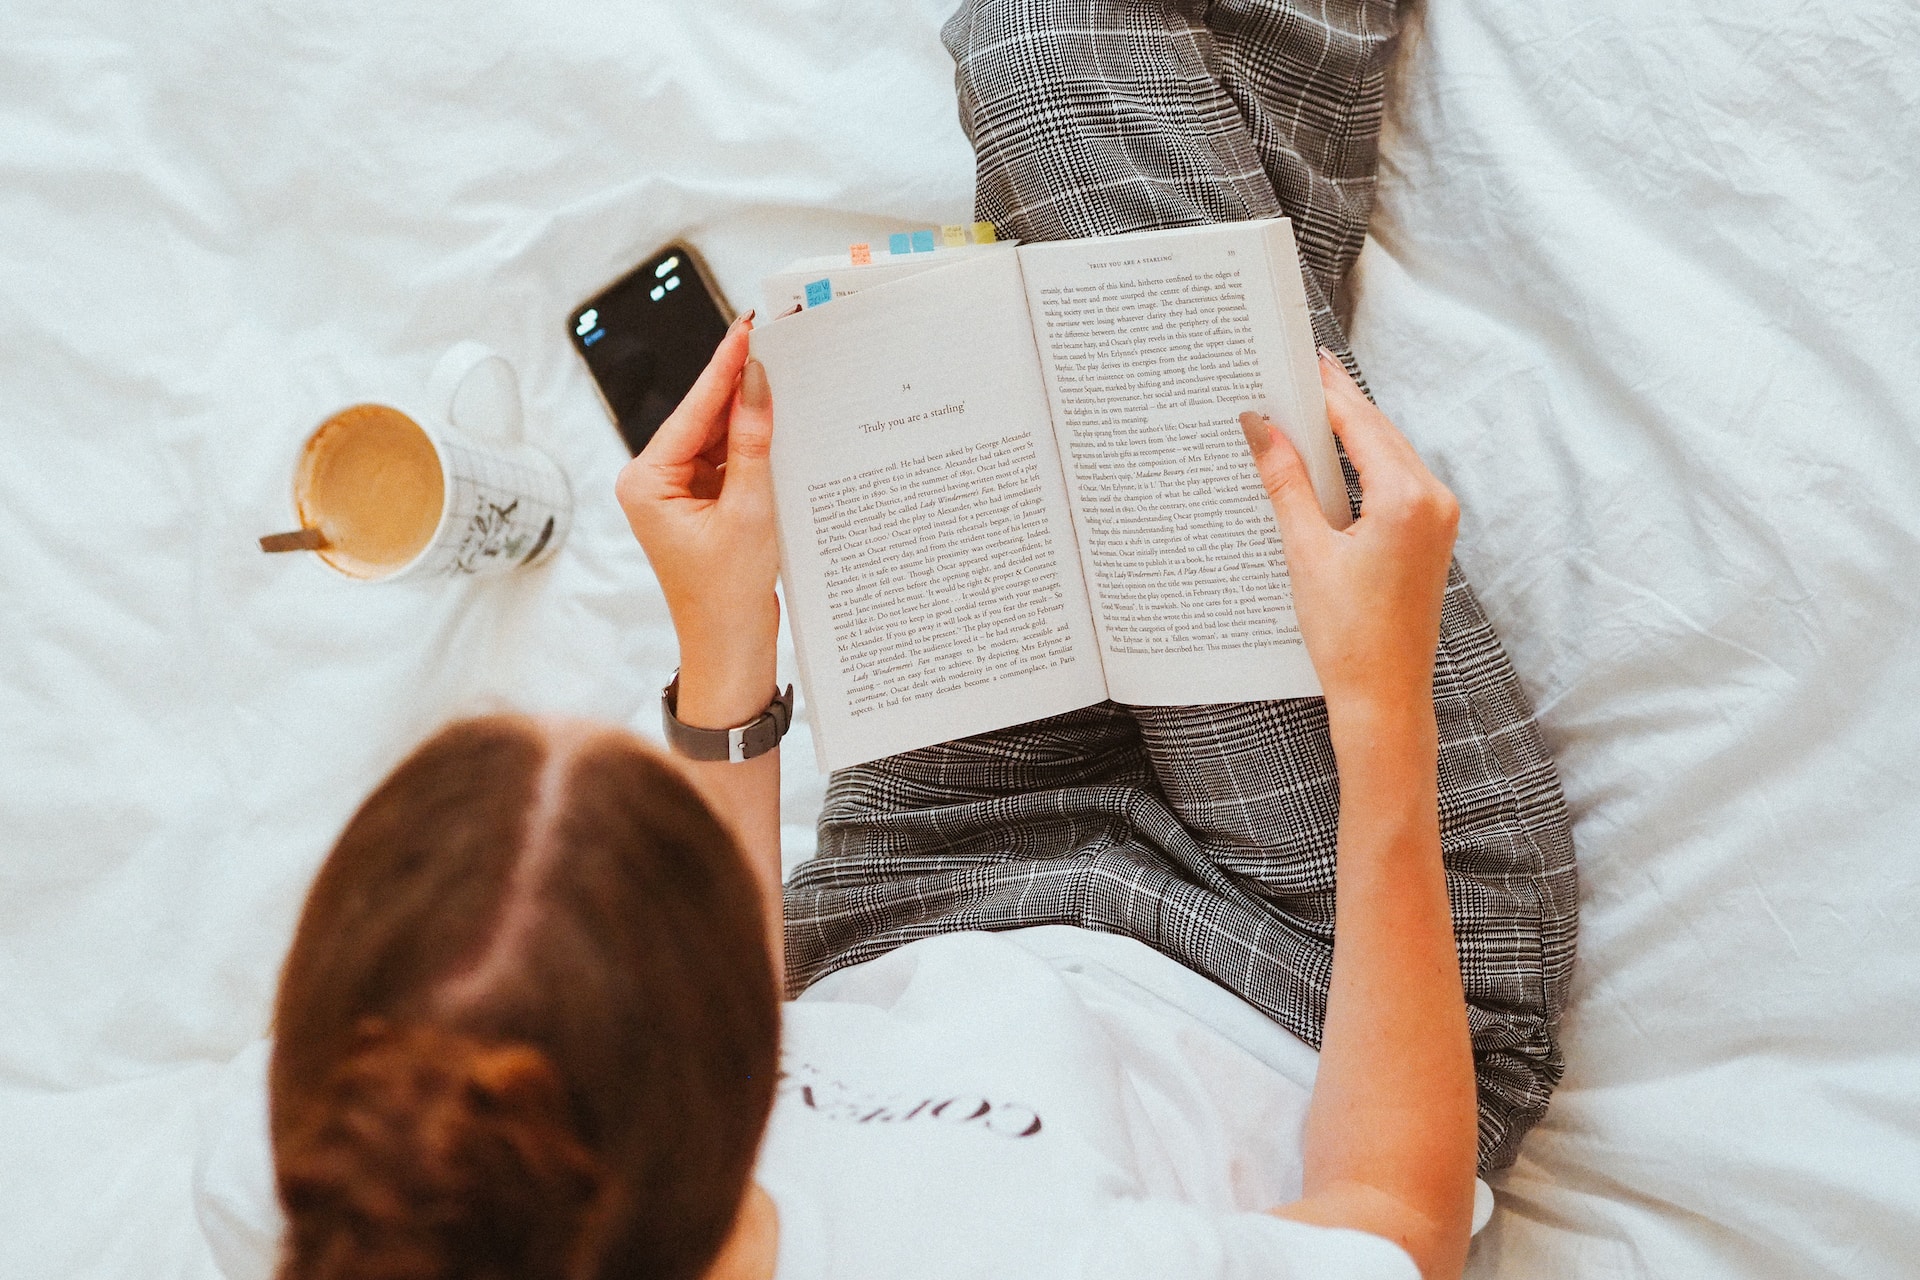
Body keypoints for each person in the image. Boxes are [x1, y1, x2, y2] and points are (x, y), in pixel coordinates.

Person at [201, 2, 1577, 1277]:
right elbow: (1392, 1224)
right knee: (1054, 54)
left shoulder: (354, 1187)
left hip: (923, 878)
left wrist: (726, 643)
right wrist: (1380, 701)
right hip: (1315, 959)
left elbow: (732, 1000)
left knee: (1069, 248)